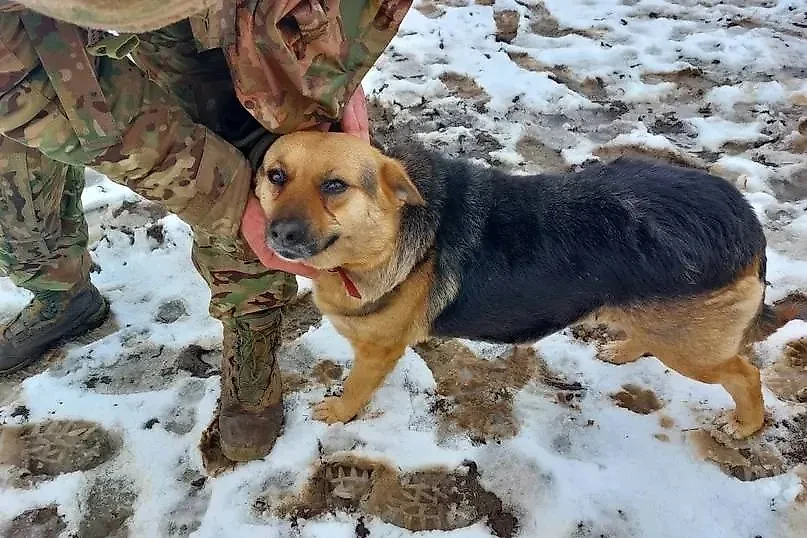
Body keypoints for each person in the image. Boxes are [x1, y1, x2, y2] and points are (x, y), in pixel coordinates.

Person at [0, 0, 411, 462]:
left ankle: (251, 327)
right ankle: (56, 289)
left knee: (242, 126)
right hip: (17, 47)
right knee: (12, 157)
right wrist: (225, 197)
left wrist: (330, 66)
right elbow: (37, 89)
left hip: (215, 17)